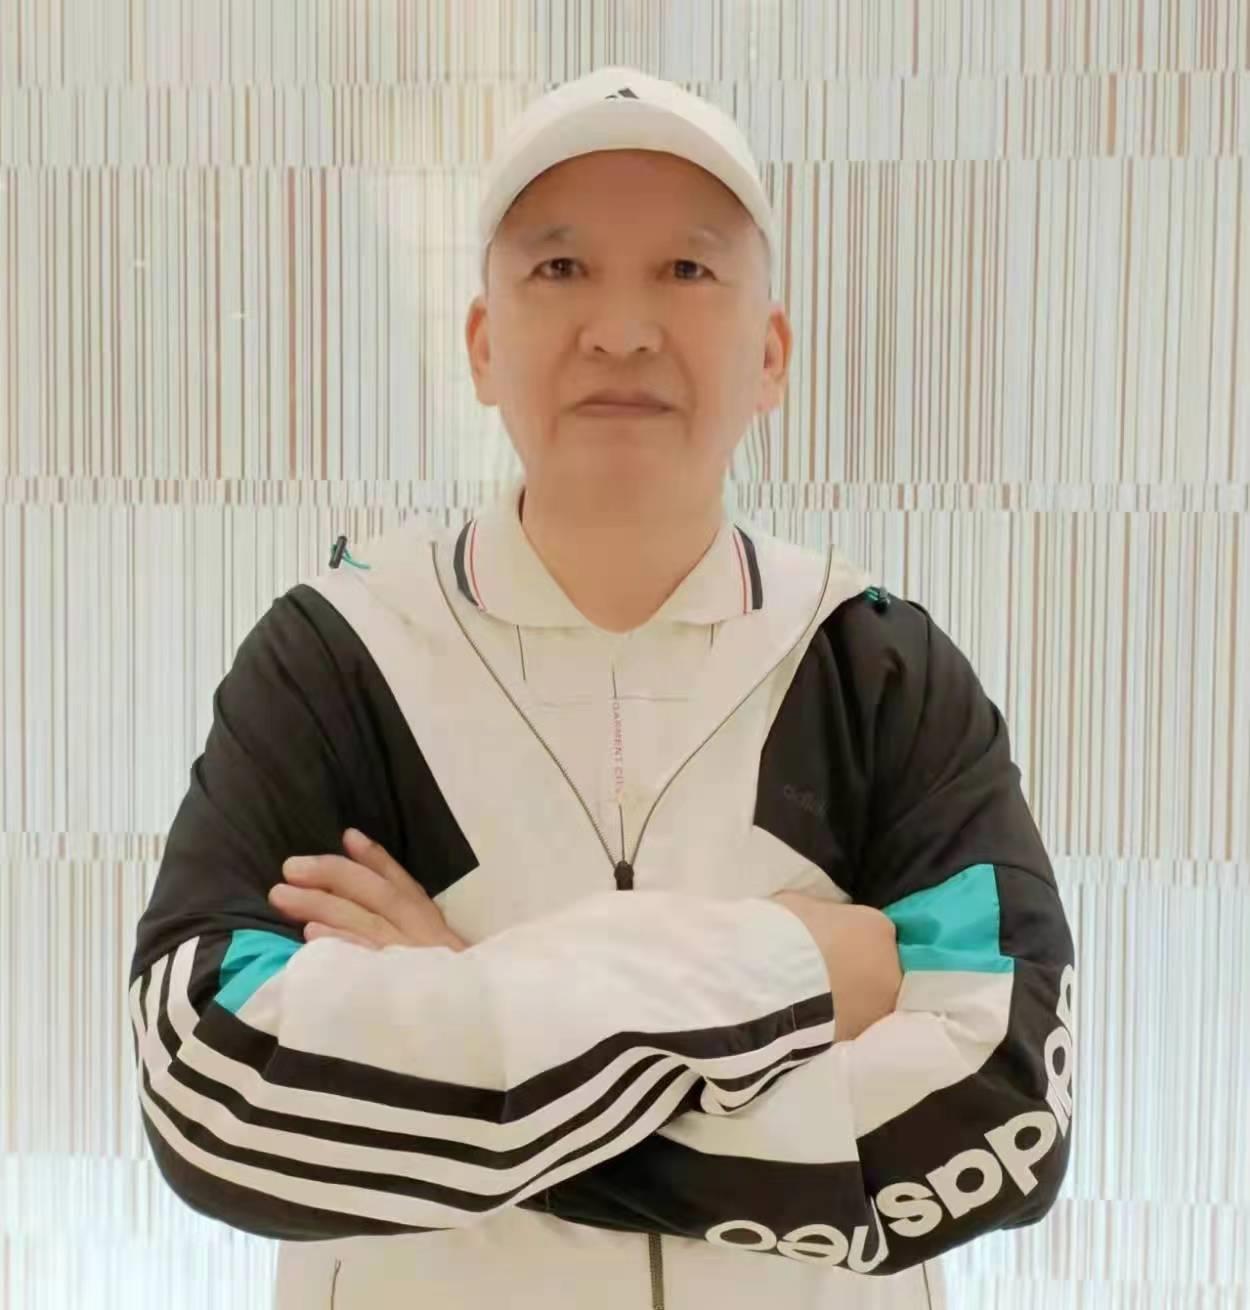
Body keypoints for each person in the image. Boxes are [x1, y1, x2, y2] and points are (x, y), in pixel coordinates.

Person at [127, 66, 1076, 1310]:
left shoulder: (874, 665)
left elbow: (1000, 1108)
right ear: (482, 344)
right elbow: (217, 1091)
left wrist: (461, 1020)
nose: (621, 329)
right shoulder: (340, 654)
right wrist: (790, 966)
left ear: (770, 353)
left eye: (685, 270)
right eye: (561, 267)